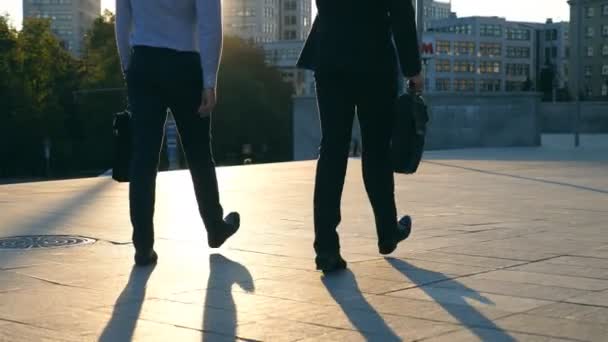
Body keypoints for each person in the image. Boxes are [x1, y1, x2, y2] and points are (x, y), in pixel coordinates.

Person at [297, 0, 424, 273]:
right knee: (376, 149)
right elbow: (401, 11)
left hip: (330, 54)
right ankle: (388, 232)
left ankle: (327, 248)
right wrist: (413, 69)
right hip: (374, 59)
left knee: (332, 149)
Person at [115, 0, 240, 266]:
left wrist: (128, 67)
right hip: (185, 64)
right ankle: (215, 227)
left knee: (143, 158)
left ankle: (143, 246)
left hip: (144, 62)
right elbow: (209, 25)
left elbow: (122, 21)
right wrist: (209, 81)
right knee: (198, 152)